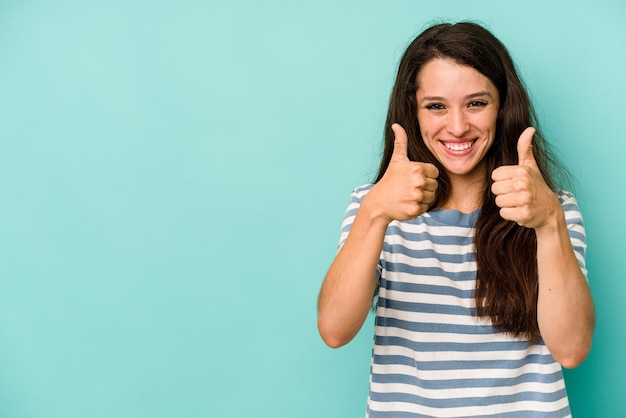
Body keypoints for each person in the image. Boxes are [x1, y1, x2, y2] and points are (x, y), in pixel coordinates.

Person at [317, 21, 594, 417]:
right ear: (412, 112)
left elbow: (571, 349)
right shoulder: (373, 207)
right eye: (436, 106)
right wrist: (375, 213)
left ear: (503, 108)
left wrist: (549, 223)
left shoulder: (553, 209)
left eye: (476, 103)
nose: (458, 126)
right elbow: (334, 330)